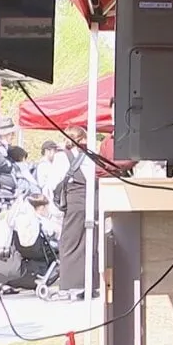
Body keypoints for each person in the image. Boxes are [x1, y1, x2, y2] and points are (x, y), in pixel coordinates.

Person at [56, 126, 96, 300]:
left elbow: (54, 181)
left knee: (69, 243)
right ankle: (87, 283)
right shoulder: (89, 156)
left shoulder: (62, 157)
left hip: (73, 202)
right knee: (88, 243)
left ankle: (69, 285)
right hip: (90, 200)